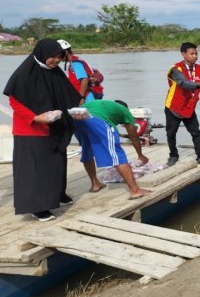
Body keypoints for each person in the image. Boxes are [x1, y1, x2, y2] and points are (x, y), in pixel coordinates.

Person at [3, 38, 80, 221]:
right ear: (42, 54)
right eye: (52, 57)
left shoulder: (54, 72)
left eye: (59, 57)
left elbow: (67, 96)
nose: (56, 60)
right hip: (31, 130)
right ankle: (37, 207)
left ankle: (57, 195)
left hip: (54, 126)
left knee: (56, 163)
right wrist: (36, 118)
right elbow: (14, 101)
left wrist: (75, 111)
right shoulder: (24, 74)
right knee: (36, 170)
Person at [74, 99, 151, 199]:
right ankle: (135, 190)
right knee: (117, 154)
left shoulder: (103, 104)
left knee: (87, 150)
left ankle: (95, 185)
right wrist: (140, 155)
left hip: (76, 119)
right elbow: (134, 137)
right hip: (96, 119)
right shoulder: (125, 110)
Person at [58, 39, 96, 104]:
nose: (58, 57)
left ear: (66, 52)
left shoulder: (75, 63)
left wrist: (81, 97)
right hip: (86, 97)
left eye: (59, 54)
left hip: (87, 99)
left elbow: (85, 79)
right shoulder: (75, 61)